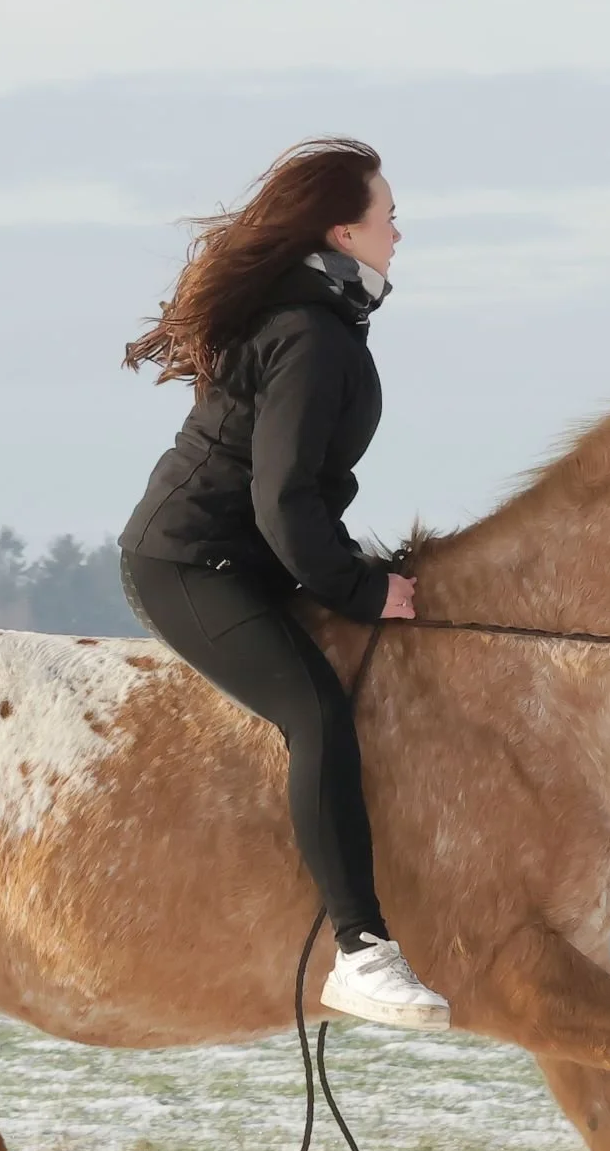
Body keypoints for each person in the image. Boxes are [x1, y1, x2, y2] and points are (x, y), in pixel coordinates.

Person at [119, 138, 450, 1032]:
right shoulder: (310, 333)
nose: (399, 233)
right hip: (194, 564)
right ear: (344, 233)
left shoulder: (322, 318)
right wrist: (360, 590)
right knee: (318, 715)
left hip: (253, 554)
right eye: (388, 217)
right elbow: (285, 498)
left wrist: (356, 574)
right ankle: (361, 953)